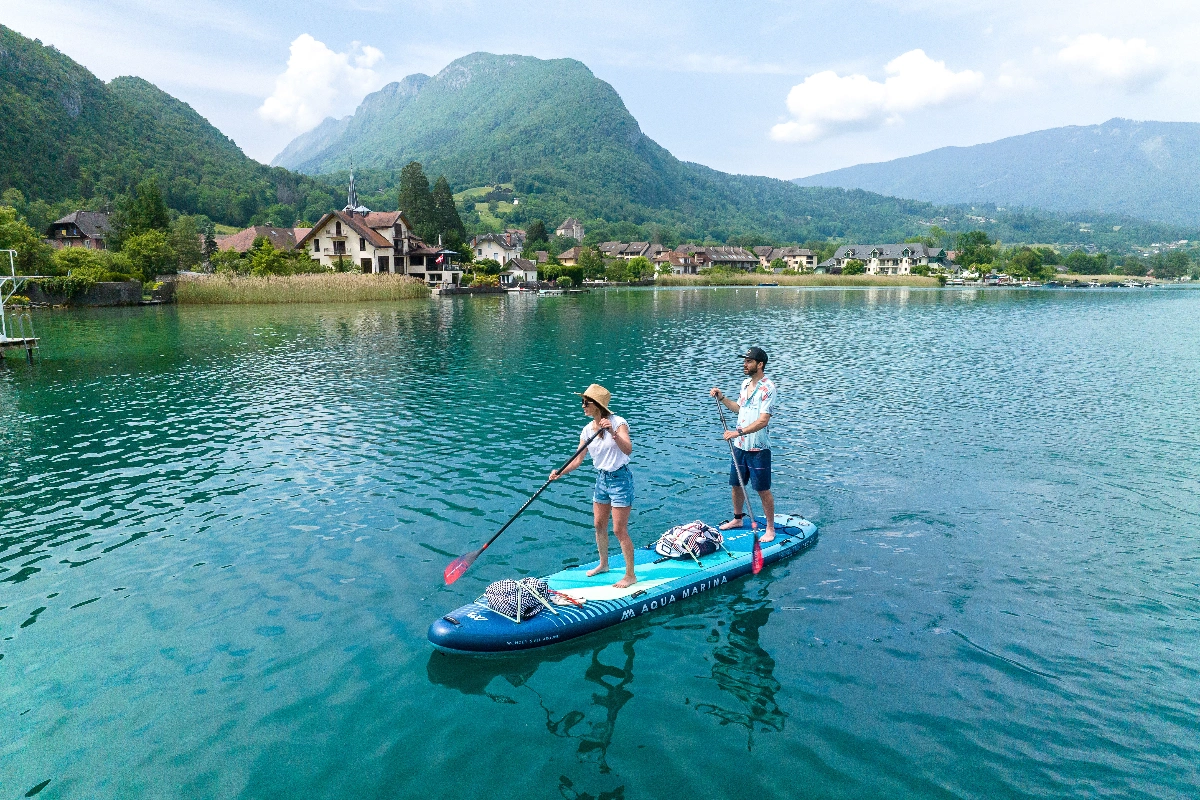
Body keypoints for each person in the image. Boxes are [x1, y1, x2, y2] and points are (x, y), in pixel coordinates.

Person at [549, 384, 638, 588]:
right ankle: (604, 564)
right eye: (582, 402)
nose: (582, 406)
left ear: (597, 405)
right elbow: (578, 459)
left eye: (586, 402)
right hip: (602, 480)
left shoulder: (618, 423)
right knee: (599, 525)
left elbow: (628, 450)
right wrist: (559, 473)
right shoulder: (587, 429)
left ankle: (630, 575)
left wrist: (612, 433)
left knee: (619, 530)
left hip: (620, 480)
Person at [710, 347, 777, 541]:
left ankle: (770, 528)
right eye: (744, 360)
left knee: (762, 489)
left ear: (760, 364)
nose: (744, 364)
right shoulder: (746, 383)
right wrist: (722, 398)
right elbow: (739, 409)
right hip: (739, 445)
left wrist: (737, 431)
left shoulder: (768, 388)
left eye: (748, 361)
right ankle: (738, 518)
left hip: (758, 448)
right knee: (736, 484)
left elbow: (763, 420)